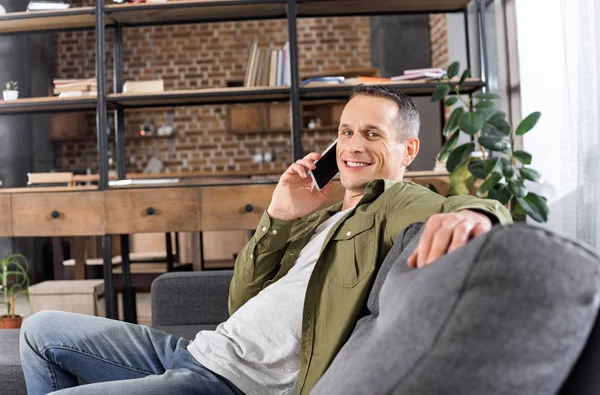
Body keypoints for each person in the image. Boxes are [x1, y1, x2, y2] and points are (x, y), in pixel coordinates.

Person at [20, 85, 511, 395]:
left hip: (230, 383)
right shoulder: (322, 217)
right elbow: (241, 301)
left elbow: (470, 207)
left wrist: (476, 213)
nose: (353, 145)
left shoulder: (398, 201)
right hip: (197, 351)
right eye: (344, 132)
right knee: (40, 330)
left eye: (372, 134)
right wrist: (278, 214)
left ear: (409, 149)